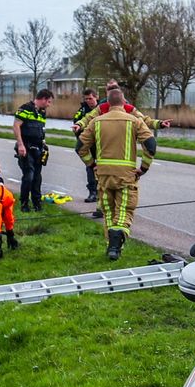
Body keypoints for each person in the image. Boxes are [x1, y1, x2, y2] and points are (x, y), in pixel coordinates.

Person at [77, 81, 157, 260]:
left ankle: (110, 246)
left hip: (103, 175)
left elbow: (80, 147)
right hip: (127, 175)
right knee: (124, 211)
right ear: (124, 103)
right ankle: (115, 245)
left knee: (108, 211)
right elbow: (151, 146)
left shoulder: (97, 122)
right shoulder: (134, 121)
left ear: (107, 104)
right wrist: (143, 168)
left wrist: (91, 164)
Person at [14, 88, 53, 213]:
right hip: (26, 146)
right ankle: (24, 203)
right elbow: (16, 126)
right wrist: (20, 145)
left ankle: (37, 203)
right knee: (29, 176)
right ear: (43, 99)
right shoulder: (25, 108)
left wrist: (44, 144)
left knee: (37, 177)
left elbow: (41, 130)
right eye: (49, 102)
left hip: (38, 148)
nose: (49, 105)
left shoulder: (42, 112)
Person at [70, 87, 101, 202]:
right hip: (89, 144)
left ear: (96, 97)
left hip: (102, 143)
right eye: (86, 99)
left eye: (91, 98)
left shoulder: (102, 109)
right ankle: (92, 192)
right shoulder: (82, 111)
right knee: (90, 167)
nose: (89, 101)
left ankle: (102, 192)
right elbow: (76, 125)